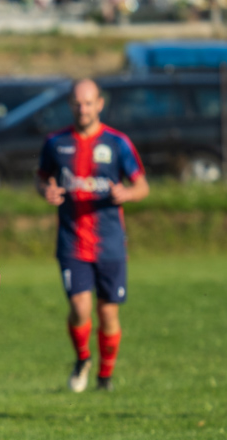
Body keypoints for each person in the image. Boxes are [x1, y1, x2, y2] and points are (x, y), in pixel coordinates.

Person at [36, 78, 149, 393]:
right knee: (80, 309)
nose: (82, 109)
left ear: (100, 104)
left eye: (88, 103)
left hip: (110, 243)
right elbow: (40, 178)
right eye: (77, 103)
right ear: (70, 105)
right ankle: (83, 358)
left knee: (108, 313)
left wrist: (125, 192)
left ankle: (105, 377)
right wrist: (47, 190)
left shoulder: (117, 143)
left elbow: (143, 186)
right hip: (72, 242)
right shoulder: (56, 143)